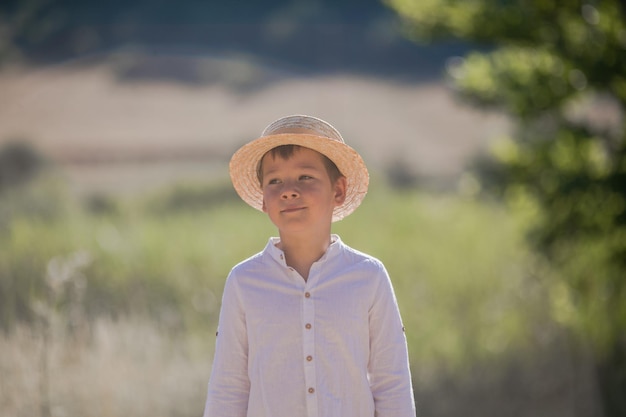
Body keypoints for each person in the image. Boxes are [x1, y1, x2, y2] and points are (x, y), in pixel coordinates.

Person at [203, 115, 415, 417]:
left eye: (305, 177)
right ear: (264, 199)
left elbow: (392, 383)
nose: (289, 190)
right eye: (274, 181)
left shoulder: (369, 277)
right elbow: (229, 386)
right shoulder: (244, 281)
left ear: (338, 190)